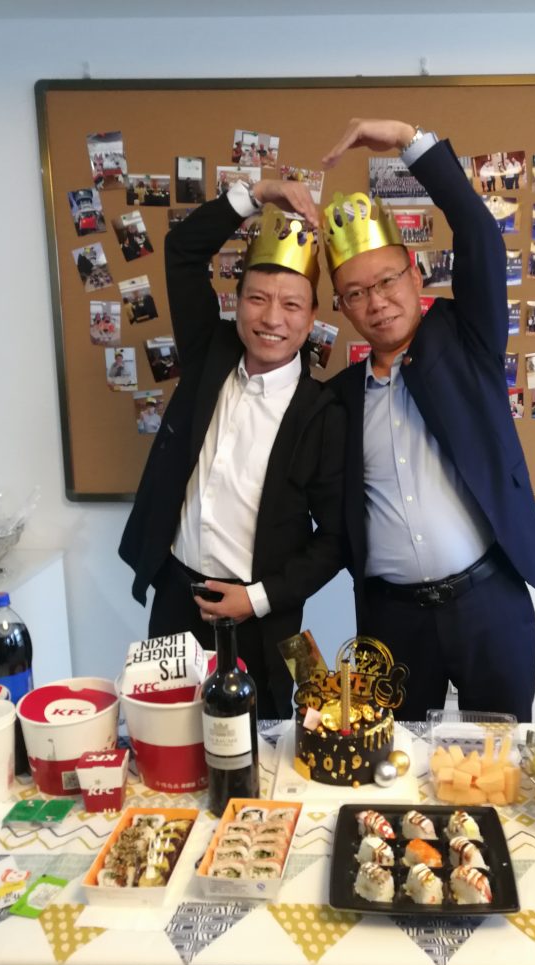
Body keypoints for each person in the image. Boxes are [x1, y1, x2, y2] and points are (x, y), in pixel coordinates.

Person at [322, 118, 535, 722]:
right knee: (391, 764)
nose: (377, 302)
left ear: (415, 273)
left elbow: (478, 232)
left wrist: (407, 139)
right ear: (343, 308)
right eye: (356, 293)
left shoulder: (465, 339)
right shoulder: (338, 399)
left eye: (387, 280)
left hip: (487, 602)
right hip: (392, 621)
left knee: (498, 758)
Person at [119, 177, 346, 718]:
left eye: (291, 304)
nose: (272, 319)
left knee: (260, 751)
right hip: (177, 599)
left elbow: (337, 539)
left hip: (262, 618)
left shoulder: (322, 413)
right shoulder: (210, 354)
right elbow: (182, 250)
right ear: (237, 302)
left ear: (311, 316)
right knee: (165, 734)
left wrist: (258, 598)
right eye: (257, 299)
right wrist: (258, 193)